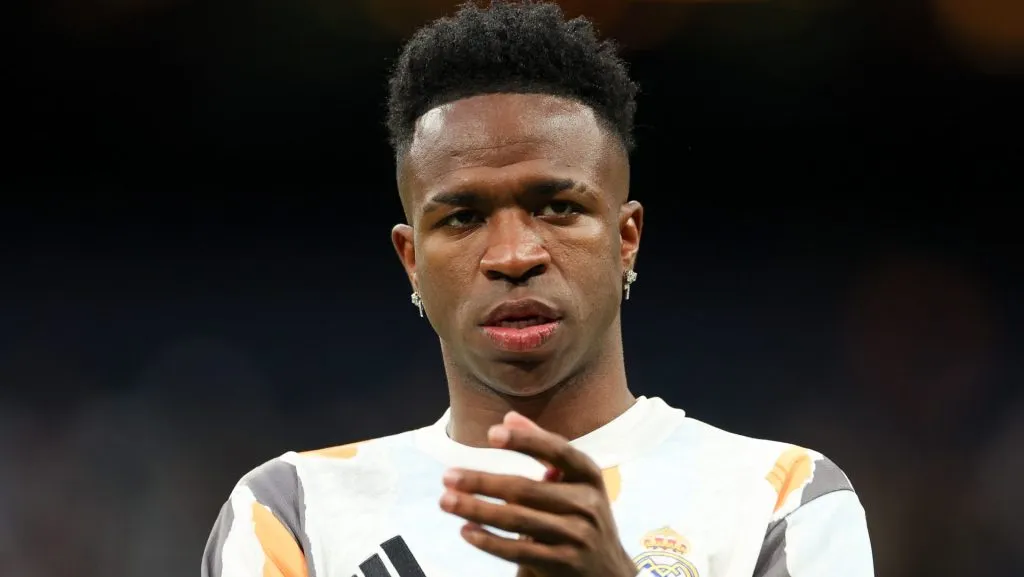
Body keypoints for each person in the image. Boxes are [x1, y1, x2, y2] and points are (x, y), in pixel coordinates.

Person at [201, 2, 874, 576]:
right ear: (411, 260)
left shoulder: (783, 499)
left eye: (557, 207)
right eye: (462, 217)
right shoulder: (294, 511)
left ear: (626, 238)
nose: (514, 255)